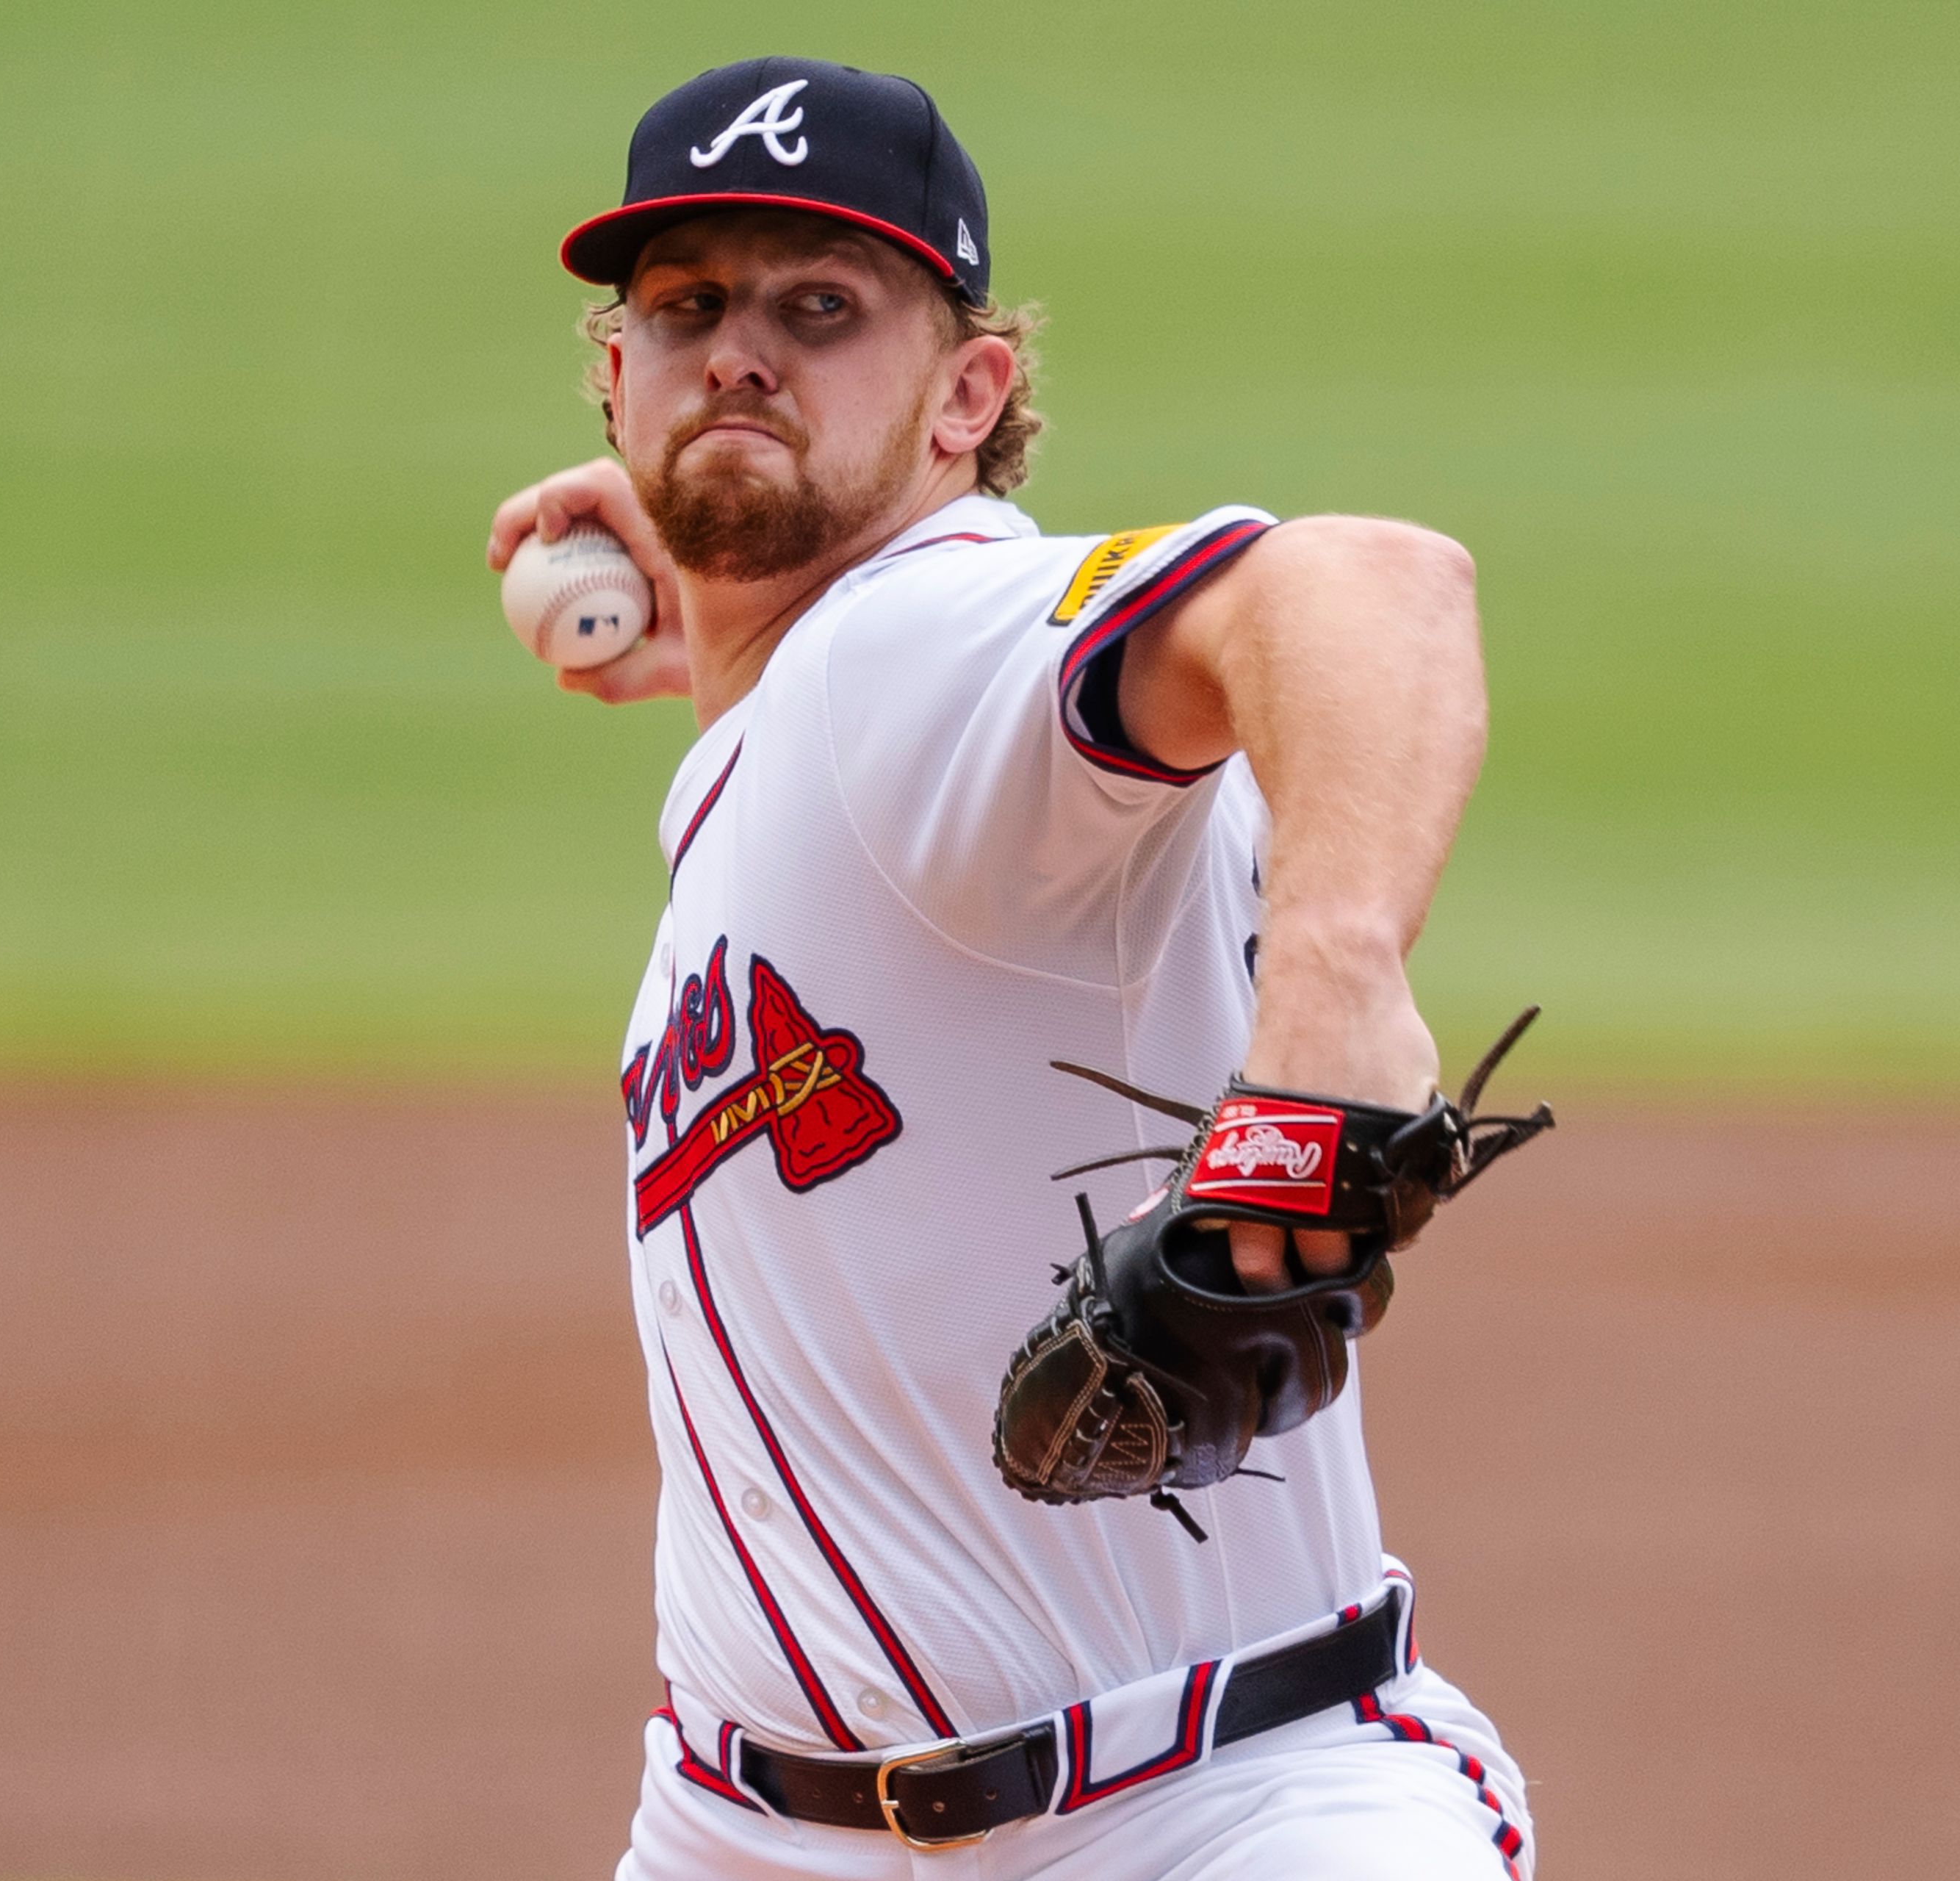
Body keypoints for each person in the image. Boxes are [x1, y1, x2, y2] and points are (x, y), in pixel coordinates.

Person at [489, 57, 1532, 1881]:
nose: (740, 350)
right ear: (613, 378)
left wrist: (1335, 990)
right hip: (748, 1835)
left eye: (821, 309)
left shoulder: (917, 652)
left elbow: (1375, 583)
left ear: (973, 392)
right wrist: (731, 615)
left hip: (1213, 1820)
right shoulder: (819, 716)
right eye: (687, 309)